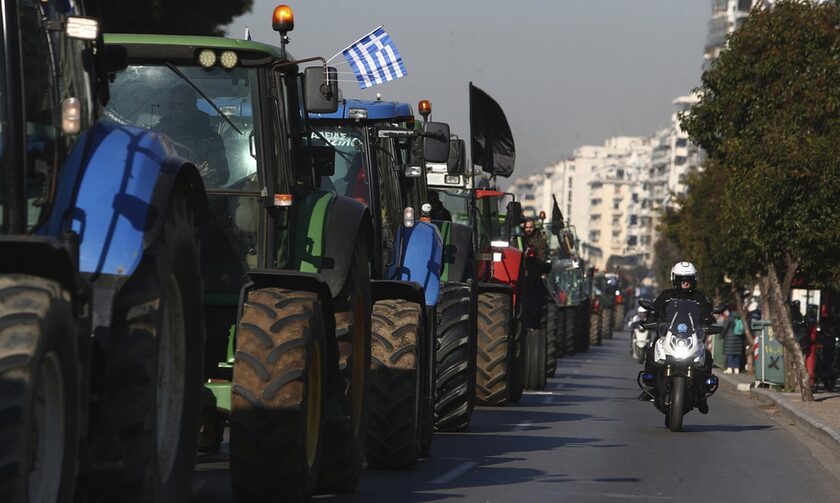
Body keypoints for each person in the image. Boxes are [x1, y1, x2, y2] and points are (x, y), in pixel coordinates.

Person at [639, 261, 715, 414]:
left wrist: (709, 321)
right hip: (668, 335)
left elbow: (708, 314)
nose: (685, 282)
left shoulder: (699, 297)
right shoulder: (666, 296)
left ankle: (702, 394)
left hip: (692, 337)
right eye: (681, 278)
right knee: (653, 348)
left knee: (706, 354)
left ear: (694, 279)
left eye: (688, 279)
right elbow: (655, 310)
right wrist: (651, 320)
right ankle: (650, 384)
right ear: (675, 279)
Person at [155, 84, 229, 187]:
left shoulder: (210, 139)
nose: (179, 110)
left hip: (199, 195)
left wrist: (208, 173)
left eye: (185, 106)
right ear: (169, 108)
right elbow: (145, 165)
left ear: (194, 108)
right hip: (163, 194)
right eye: (174, 106)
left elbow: (221, 173)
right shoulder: (155, 136)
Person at [722, 308, 745, 374]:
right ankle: (736, 369)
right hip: (738, 337)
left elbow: (725, 327)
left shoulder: (730, 317)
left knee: (730, 354)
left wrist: (722, 335)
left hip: (730, 337)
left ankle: (730, 368)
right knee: (737, 354)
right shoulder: (740, 317)